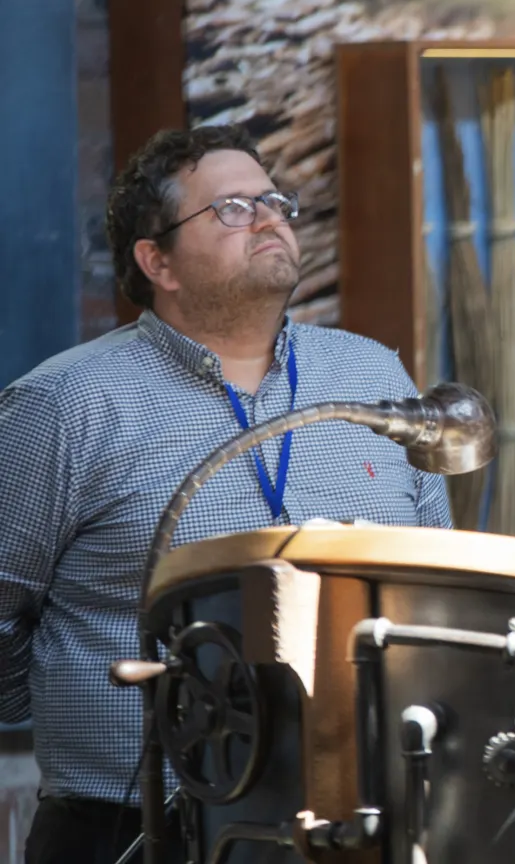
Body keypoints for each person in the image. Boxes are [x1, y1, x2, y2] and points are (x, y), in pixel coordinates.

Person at [0, 125, 453, 863]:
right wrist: (78, 696)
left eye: (274, 200)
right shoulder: (65, 404)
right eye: (233, 209)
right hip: (133, 829)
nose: (269, 217)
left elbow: (434, 578)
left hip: (356, 824)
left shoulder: (372, 379)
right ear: (157, 262)